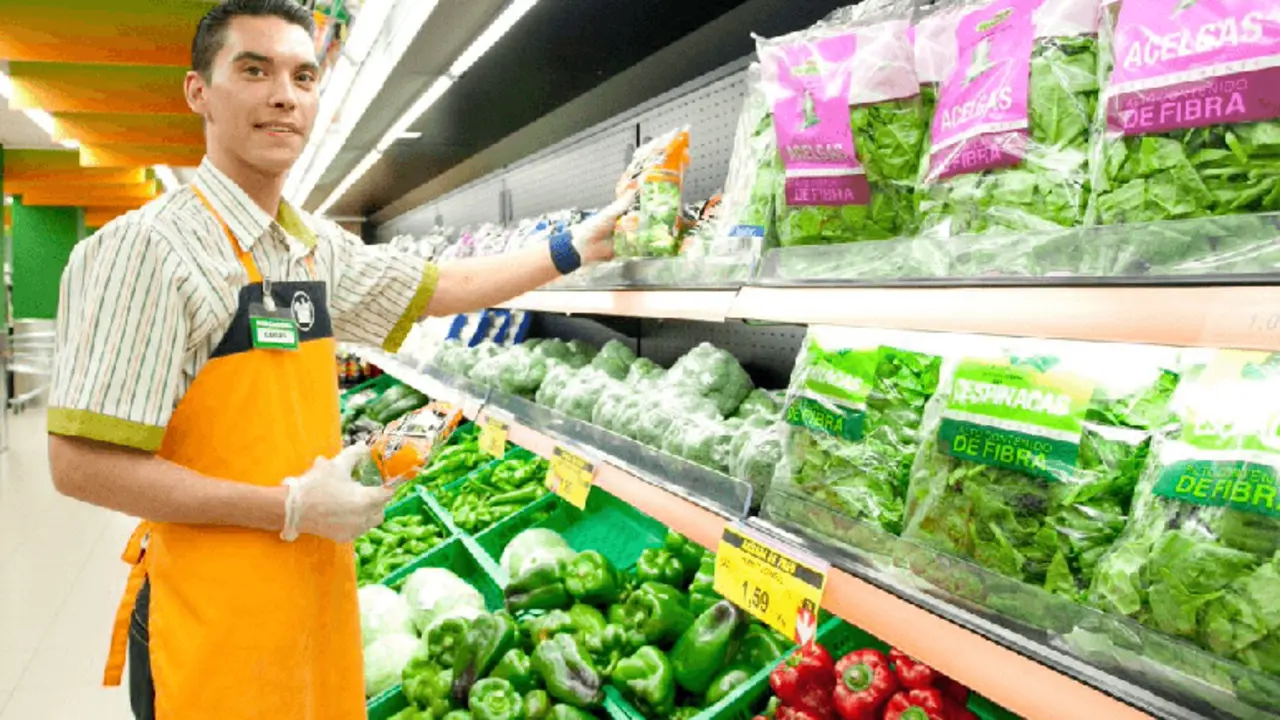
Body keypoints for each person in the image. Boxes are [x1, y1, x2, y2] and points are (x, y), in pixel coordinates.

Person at [44, 1, 630, 718]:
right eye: (253, 70)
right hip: (212, 618)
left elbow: (441, 288)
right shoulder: (147, 250)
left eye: (303, 75)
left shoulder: (310, 249)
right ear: (198, 92)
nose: (284, 95)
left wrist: (576, 247)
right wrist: (287, 506)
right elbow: (80, 462)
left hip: (312, 599)